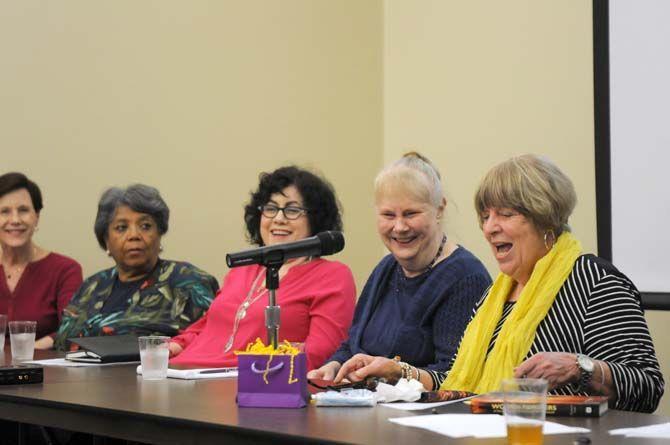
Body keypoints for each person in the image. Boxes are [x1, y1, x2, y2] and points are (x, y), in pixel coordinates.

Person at [336, 154, 664, 413]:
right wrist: (398, 371)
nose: (490, 227)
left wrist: (581, 367)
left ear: (544, 217)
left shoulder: (593, 281)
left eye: (505, 214)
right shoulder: (495, 297)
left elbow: (648, 387)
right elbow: (460, 387)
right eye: (485, 215)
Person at [308, 153, 491, 389]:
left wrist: (397, 372)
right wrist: (335, 365)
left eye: (411, 214)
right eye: (388, 215)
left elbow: (455, 377)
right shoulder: (386, 268)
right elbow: (353, 344)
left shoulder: (466, 278)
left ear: (439, 209)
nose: (399, 227)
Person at [169, 166, 356, 370]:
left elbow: (321, 355)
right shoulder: (242, 269)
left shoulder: (332, 275)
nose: (278, 218)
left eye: (292, 210)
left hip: (251, 381)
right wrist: (175, 345)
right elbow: (209, 325)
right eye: (271, 208)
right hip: (186, 372)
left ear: (315, 219)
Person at [53, 184, 218, 350]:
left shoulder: (189, 282)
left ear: (160, 233)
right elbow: (62, 342)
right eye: (122, 227)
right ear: (106, 239)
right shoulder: (91, 286)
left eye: (145, 226)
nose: (134, 235)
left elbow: (213, 342)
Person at [0, 172, 82, 349]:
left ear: (36, 216)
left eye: (23, 210)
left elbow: (72, 329)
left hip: (44, 371)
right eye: (4, 211)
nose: (15, 220)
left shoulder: (66, 270)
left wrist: (28, 353)